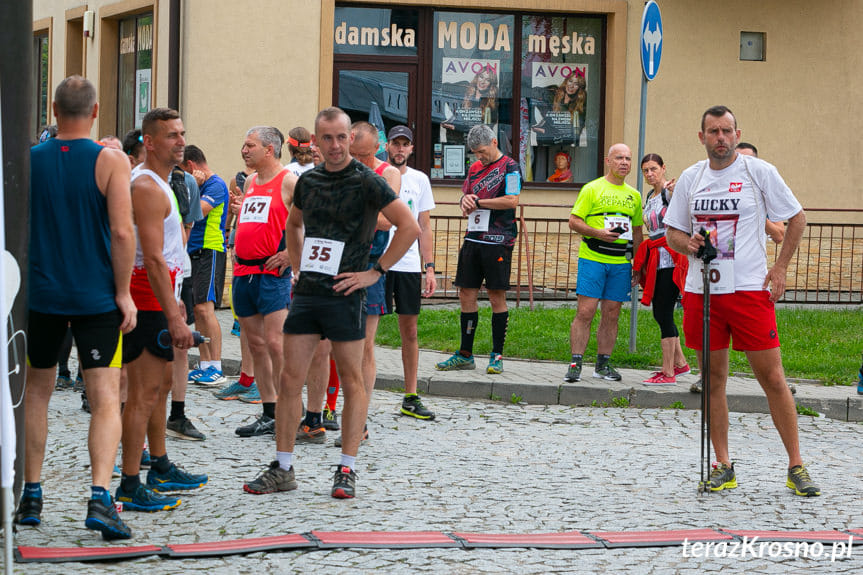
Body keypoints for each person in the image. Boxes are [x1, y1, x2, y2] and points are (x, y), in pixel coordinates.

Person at [242, 107, 418, 499]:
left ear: (350, 140)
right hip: (308, 293)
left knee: (353, 381)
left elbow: (409, 227)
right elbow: (294, 223)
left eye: (342, 137)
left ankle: (346, 468)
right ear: (316, 142)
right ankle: (283, 467)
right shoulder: (308, 181)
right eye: (327, 138)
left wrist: (376, 272)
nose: (335, 145)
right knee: (290, 377)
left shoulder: (368, 182)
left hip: (347, 292)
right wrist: (298, 264)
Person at [664, 105, 819, 496]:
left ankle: (796, 465)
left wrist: (780, 269)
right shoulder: (691, 178)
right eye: (713, 131)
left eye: (727, 131)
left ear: (736, 133)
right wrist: (690, 243)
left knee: (773, 379)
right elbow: (673, 234)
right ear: (701, 137)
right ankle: (723, 464)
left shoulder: (758, 172)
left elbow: (796, 218)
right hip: (704, 291)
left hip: (749, 290)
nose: (721, 138)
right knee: (713, 380)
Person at [18, 75, 136, 539]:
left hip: (42, 296)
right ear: (95, 110)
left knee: (37, 394)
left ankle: (31, 493)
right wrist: (124, 292)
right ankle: (100, 498)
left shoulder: (28, 159)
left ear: (52, 108)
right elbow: (123, 233)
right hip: (95, 297)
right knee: (106, 398)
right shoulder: (110, 160)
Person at [116, 107, 209, 513]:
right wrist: (173, 315)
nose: (180, 141)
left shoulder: (164, 181)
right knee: (143, 393)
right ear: (149, 142)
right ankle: (129, 483)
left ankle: (160, 464)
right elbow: (151, 258)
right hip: (150, 297)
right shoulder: (147, 187)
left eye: (182, 133)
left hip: (165, 292)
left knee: (161, 388)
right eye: (171, 135)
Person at [221, 126, 297, 439]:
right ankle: (268, 411)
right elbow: (256, 218)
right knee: (256, 344)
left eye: (249, 145)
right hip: (244, 272)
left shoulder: (289, 180)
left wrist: (292, 255)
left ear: (269, 149)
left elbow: (309, 219)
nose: (244, 150)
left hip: (271, 274)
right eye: (244, 144)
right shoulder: (251, 181)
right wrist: (238, 233)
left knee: (277, 343)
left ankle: (289, 407)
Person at [435, 124, 521, 374]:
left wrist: (480, 202)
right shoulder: (474, 168)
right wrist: (464, 201)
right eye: (475, 153)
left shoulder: (510, 167)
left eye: (482, 151)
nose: (479, 157)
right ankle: (465, 353)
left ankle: (497, 355)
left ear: (494, 143)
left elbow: (512, 200)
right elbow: (466, 195)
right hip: (473, 238)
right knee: (466, 294)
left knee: (496, 296)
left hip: (499, 240)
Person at [564, 143, 643, 383]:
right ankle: (576, 363)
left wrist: (637, 265)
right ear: (608, 161)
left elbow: (638, 233)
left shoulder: (634, 195)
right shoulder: (592, 189)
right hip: (593, 259)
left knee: (612, 314)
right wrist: (598, 232)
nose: (624, 162)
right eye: (619, 157)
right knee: (585, 312)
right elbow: (573, 221)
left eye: (628, 158)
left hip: (620, 263)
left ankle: (603, 364)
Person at [385, 125, 437, 419]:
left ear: (412, 149)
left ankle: (410, 394)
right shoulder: (378, 173)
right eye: (396, 144)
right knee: (364, 332)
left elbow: (424, 226)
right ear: (387, 146)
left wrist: (428, 267)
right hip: (379, 262)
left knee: (410, 330)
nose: (400, 149)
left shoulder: (420, 179)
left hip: (407, 264)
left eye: (405, 145)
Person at [632, 154, 689, 385]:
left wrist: (675, 190)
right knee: (662, 311)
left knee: (662, 311)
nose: (649, 174)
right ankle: (680, 363)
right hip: (656, 257)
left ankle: (668, 372)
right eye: (645, 170)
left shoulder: (667, 192)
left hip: (670, 258)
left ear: (663, 168)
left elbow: (680, 202)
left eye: (653, 169)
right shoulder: (649, 195)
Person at [183, 145, 229, 385]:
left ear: (191, 165)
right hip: (193, 252)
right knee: (197, 310)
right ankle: (204, 364)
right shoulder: (198, 185)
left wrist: (189, 185)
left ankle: (217, 366)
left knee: (206, 309)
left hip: (210, 250)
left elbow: (196, 213)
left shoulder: (215, 185)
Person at [736, 142, 786, 244]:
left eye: (748, 160)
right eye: (738, 161)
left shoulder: (763, 194)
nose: (743, 165)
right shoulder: (719, 189)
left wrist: (756, 214)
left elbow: (779, 236)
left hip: (751, 258)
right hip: (719, 256)